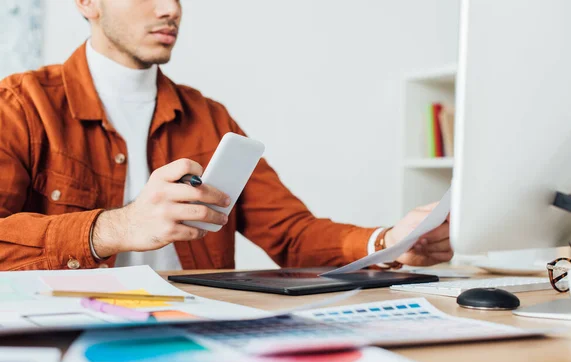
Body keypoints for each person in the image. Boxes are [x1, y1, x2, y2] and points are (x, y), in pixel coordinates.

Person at [0, 0, 452, 271]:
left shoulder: (209, 117)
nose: (170, 9)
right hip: (73, 339)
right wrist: (115, 227)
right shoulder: (20, 105)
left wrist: (389, 241)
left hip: (200, 334)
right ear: (87, 2)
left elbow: (291, 235)